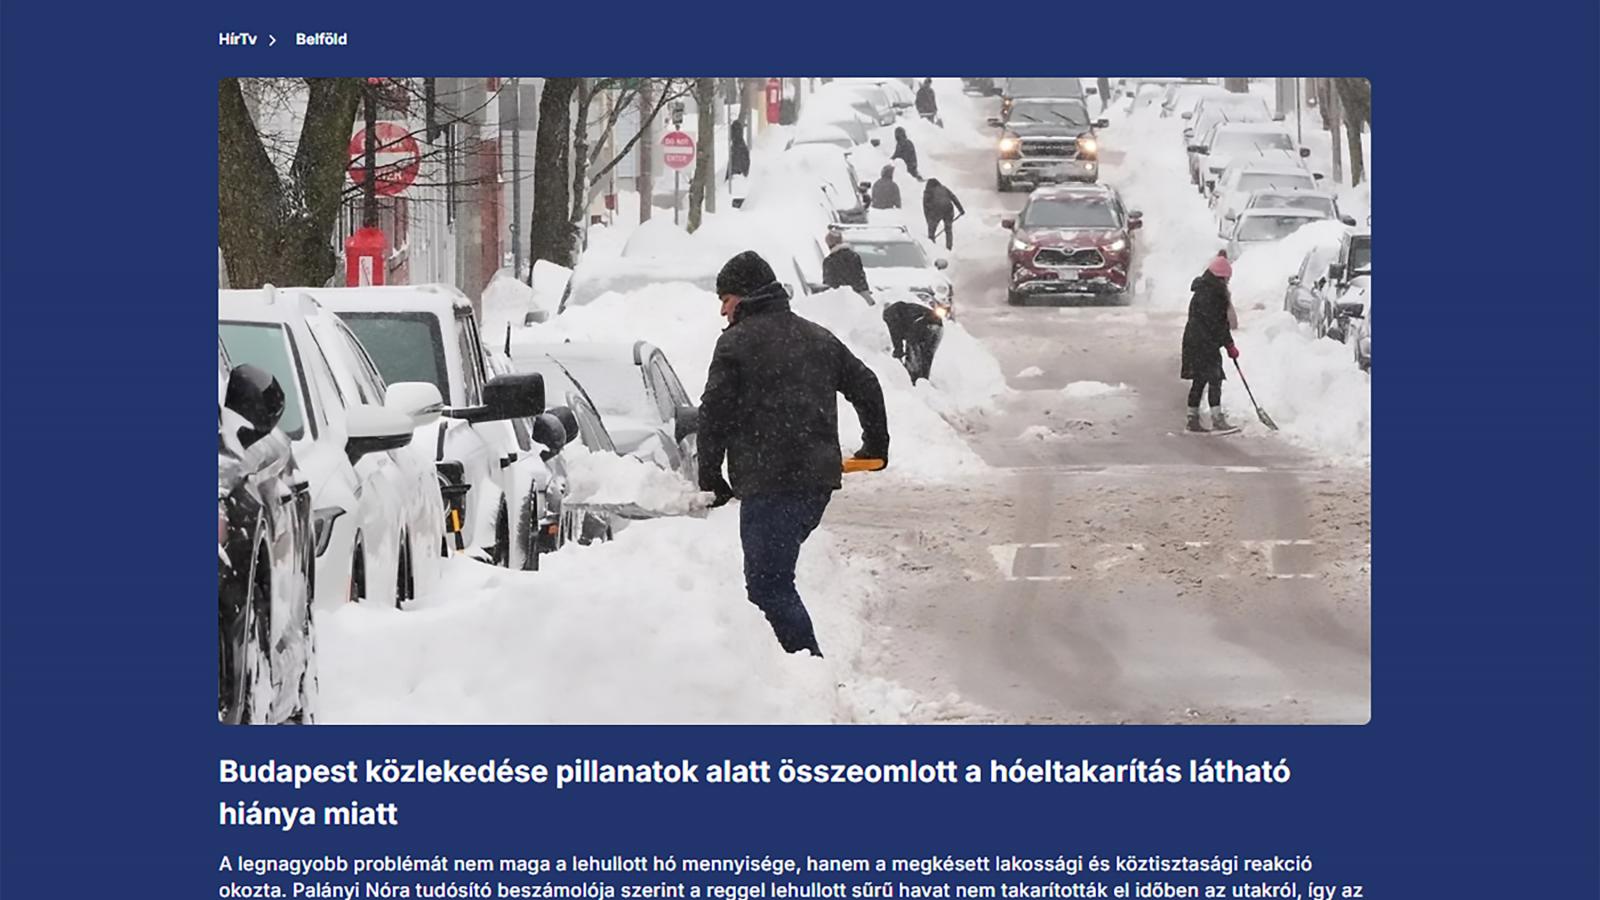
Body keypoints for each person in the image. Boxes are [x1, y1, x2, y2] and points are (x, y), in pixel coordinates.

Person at [700, 251, 890, 656]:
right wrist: (876, 444)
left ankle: (807, 669)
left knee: (768, 585)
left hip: (770, 484)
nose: (722, 310)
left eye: (726, 299)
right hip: (815, 484)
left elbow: (714, 414)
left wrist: (710, 477)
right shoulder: (817, 337)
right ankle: (784, 668)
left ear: (744, 296)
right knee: (772, 580)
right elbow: (867, 385)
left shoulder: (735, 344)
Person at [1180, 253, 1240, 433]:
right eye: (1227, 279)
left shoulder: (1202, 290)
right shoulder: (1215, 295)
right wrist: (1230, 346)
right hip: (1206, 344)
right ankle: (1217, 419)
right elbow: (1219, 324)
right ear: (1222, 278)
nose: (1228, 282)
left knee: (1199, 381)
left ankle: (1192, 419)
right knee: (1215, 379)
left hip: (1194, 342)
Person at [821, 230, 873, 304]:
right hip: (861, 297)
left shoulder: (830, 261)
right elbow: (860, 277)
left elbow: (829, 284)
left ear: (830, 244)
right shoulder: (854, 256)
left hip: (842, 301)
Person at [921, 177, 965, 250]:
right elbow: (953, 197)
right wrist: (961, 209)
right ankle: (949, 246)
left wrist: (928, 221)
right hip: (948, 209)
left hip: (936, 211)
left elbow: (925, 206)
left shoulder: (928, 191)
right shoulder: (944, 188)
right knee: (948, 229)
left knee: (932, 230)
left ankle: (931, 244)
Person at [726, 124, 751, 209]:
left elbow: (734, 164)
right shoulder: (740, 146)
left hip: (737, 181)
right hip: (739, 180)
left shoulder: (737, 147)